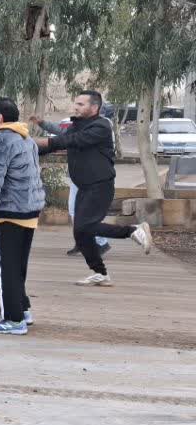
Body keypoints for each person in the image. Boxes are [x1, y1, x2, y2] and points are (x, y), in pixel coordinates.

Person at [34, 90, 153, 287]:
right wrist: (27, 147)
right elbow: (54, 145)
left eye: (81, 104)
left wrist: (33, 140)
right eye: (76, 103)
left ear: (94, 107)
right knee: (80, 233)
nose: (76, 107)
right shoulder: (77, 126)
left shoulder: (101, 126)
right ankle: (100, 273)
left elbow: (69, 141)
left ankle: (133, 230)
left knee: (86, 227)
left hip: (100, 185)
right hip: (84, 187)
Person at [0, 98, 45, 335]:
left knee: (1, 270)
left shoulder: (0, 140)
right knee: (15, 268)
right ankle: (22, 310)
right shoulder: (26, 139)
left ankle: (13, 320)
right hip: (28, 212)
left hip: (8, 213)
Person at [31, 117, 110, 257]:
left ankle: (101, 242)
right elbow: (61, 132)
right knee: (75, 210)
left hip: (91, 177)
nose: (77, 111)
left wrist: (39, 140)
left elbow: (64, 137)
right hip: (78, 176)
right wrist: (42, 123)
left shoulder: (97, 128)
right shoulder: (79, 127)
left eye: (80, 107)